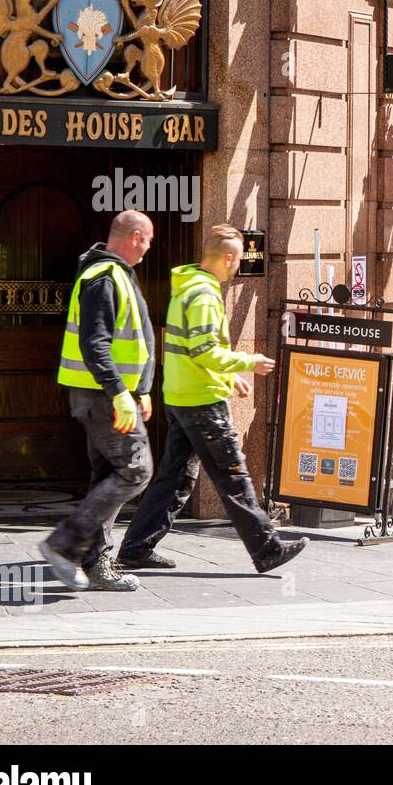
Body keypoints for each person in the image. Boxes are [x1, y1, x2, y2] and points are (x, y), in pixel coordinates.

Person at [118, 225, 307, 574]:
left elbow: (194, 351)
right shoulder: (204, 295)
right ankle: (267, 549)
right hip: (203, 404)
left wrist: (228, 375)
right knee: (233, 475)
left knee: (174, 478)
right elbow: (205, 350)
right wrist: (248, 362)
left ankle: (136, 547)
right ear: (228, 258)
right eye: (235, 261)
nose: (237, 267)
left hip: (181, 396)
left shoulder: (186, 288)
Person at [39, 211, 158, 593]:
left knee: (108, 475)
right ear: (136, 237)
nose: (150, 248)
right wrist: (120, 393)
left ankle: (96, 562)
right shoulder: (103, 277)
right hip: (104, 397)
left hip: (113, 395)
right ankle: (64, 545)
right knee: (135, 469)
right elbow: (95, 344)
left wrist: (141, 389)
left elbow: (131, 339)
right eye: (149, 240)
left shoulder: (115, 273)